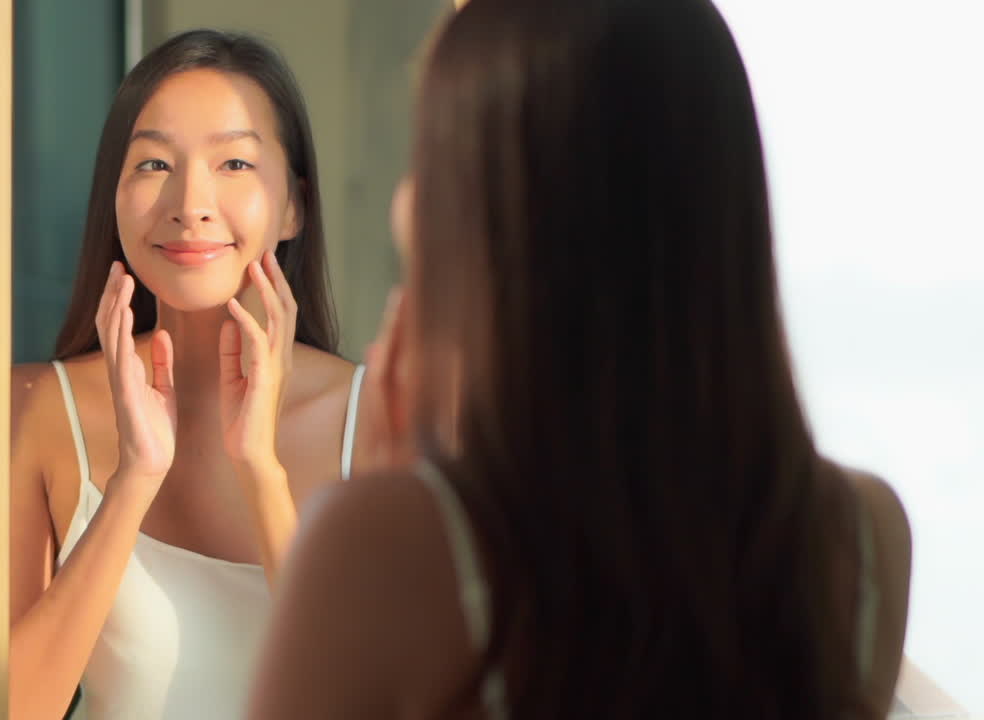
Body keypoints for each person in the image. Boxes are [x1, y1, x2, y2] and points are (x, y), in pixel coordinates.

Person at [247, 1, 913, 718]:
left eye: (432, 153)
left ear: (497, 208)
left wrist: (385, 521)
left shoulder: (387, 543)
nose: (406, 201)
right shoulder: (863, 537)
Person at [8, 30, 364, 720]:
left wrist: (260, 470)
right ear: (112, 196)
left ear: (294, 205)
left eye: (234, 162)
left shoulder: (375, 417)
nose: (189, 202)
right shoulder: (36, 408)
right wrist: (132, 481)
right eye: (152, 164)